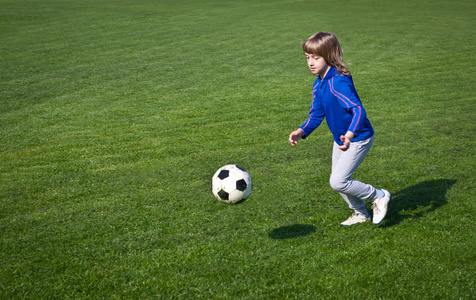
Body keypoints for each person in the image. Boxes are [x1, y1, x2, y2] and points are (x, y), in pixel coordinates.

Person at [288, 31, 391, 226]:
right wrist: (301, 131)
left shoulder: (338, 82)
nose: (310, 62)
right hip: (341, 139)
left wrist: (350, 135)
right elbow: (316, 114)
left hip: (358, 137)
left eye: (316, 58)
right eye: (307, 57)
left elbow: (358, 110)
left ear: (329, 55)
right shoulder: (318, 84)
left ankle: (378, 196)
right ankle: (360, 214)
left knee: (338, 181)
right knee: (339, 181)